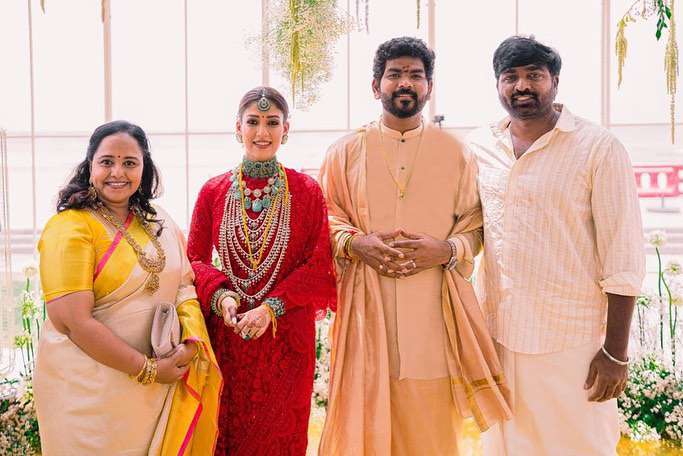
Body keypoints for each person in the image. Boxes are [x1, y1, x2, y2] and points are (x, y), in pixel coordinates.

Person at [318, 36, 511, 456]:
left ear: (429, 86)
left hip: (433, 320)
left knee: (433, 436)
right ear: (376, 86)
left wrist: (446, 250)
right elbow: (324, 219)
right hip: (367, 319)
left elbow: (476, 227)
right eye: (395, 74)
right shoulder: (344, 152)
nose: (405, 83)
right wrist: (355, 243)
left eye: (415, 75)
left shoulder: (457, 152)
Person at [466, 36, 646, 455]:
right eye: (510, 77)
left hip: (571, 341)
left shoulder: (598, 147)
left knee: (580, 445)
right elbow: (469, 229)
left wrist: (615, 353)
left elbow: (623, 256)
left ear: (555, 82)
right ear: (497, 85)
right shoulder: (479, 146)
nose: (522, 86)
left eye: (534, 75)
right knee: (504, 446)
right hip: (498, 336)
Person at [33, 120, 222, 455]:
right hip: (87, 399)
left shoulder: (158, 221)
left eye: (130, 162)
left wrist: (190, 345)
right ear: (90, 165)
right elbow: (73, 322)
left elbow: (184, 285)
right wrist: (147, 369)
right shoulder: (70, 227)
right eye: (107, 161)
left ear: (143, 168)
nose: (117, 172)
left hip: (157, 391)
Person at [187, 86, 336, 455]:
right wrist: (222, 295)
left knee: (281, 434)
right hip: (231, 332)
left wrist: (271, 307)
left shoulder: (306, 191)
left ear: (287, 129)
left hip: (286, 338)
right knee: (228, 432)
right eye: (253, 122)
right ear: (237, 128)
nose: (262, 132)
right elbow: (195, 259)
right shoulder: (213, 191)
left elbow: (319, 263)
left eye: (272, 122)